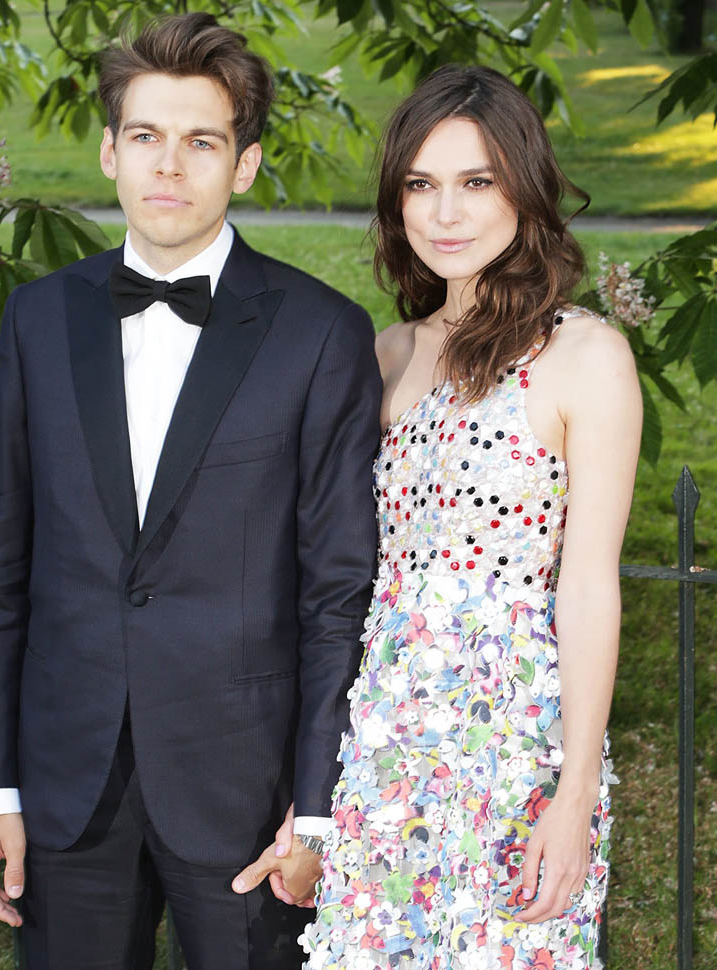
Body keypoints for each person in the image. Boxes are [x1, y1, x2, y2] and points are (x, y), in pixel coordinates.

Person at [0, 12, 381, 968]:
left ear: (244, 165)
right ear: (111, 151)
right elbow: (1, 571)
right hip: (66, 786)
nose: (170, 165)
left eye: (203, 141)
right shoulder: (37, 319)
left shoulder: (320, 335)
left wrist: (316, 808)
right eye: (146, 136)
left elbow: (336, 593)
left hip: (245, 790)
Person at [295, 65, 642, 969]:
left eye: (476, 182)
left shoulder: (586, 356)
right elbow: (338, 579)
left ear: (522, 190)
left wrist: (572, 797)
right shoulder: (387, 355)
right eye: (421, 184)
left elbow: (592, 586)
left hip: (518, 754)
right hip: (382, 748)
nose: (445, 212)